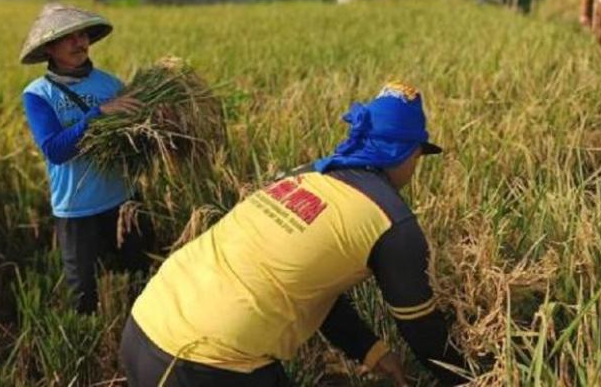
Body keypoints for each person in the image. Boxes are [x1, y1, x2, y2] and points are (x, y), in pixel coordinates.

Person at [121, 82, 468, 386]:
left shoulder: (304, 176)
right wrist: (473, 378)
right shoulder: (392, 221)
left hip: (146, 325)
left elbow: (313, 288)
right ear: (407, 152)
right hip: (204, 362)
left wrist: (371, 350)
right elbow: (423, 329)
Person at [20, 3, 150, 314]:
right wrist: (98, 115)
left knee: (140, 280)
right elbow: (56, 150)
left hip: (123, 202)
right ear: (50, 48)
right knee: (83, 295)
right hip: (77, 209)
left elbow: (135, 144)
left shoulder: (111, 85)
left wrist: (154, 126)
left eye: (82, 35)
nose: (80, 43)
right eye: (69, 38)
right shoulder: (38, 95)